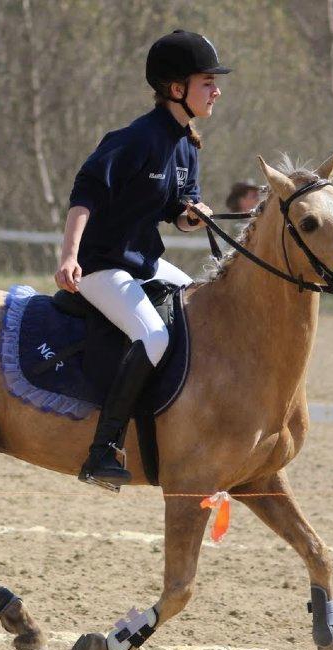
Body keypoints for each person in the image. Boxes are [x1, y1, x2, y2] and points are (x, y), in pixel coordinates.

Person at [55, 30, 231, 490]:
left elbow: (177, 211)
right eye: (207, 82)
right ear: (177, 90)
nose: (217, 91)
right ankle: (102, 450)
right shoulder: (135, 138)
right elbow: (84, 194)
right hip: (102, 265)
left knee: (200, 303)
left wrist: (194, 216)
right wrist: (70, 256)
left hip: (145, 262)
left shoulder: (187, 144)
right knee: (153, 335)